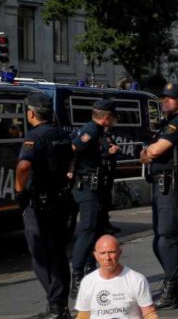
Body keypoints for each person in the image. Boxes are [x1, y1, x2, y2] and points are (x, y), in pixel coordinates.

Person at [15, 92, 75, 319]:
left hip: (39, 202)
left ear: (31, 113)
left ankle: (56, 307)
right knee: (58, 253)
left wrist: (19, 191)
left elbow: (23, 166)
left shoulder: (35, 136)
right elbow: (71, 160)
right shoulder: (62, 134)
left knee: (41, 255)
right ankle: (61, 306)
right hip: (60, 199)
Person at [139, 82, 178, 310]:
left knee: (167, 237)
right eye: (163, 98)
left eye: (170, 98)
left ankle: (170, 289)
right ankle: (172, 287)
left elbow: (154, 151)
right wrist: (148, 152)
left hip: (170, 184)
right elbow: (145, 153)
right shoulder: (166, 124)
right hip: (160, 184)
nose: (165, 101)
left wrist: (149, 152)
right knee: (158, 240)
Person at [69, 99, 119, 297]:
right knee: (88, 229)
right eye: (113, 117)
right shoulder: (90, 131)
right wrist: (69, 170)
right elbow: (71, 150)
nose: (114, 121)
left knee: (98, 229)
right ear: (106, 117)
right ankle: (77, 275)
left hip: (95, 186)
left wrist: (108, 153)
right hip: (86, 187)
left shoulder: (99, 133)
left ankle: (91, 270)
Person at [74, 235, 157, 319]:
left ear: (119, 253)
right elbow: (83, 316)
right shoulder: (88, 282)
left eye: (111, 252)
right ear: (96, 255)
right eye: (103, 253)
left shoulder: (137, 279)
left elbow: (149, 313)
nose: (107, 258)